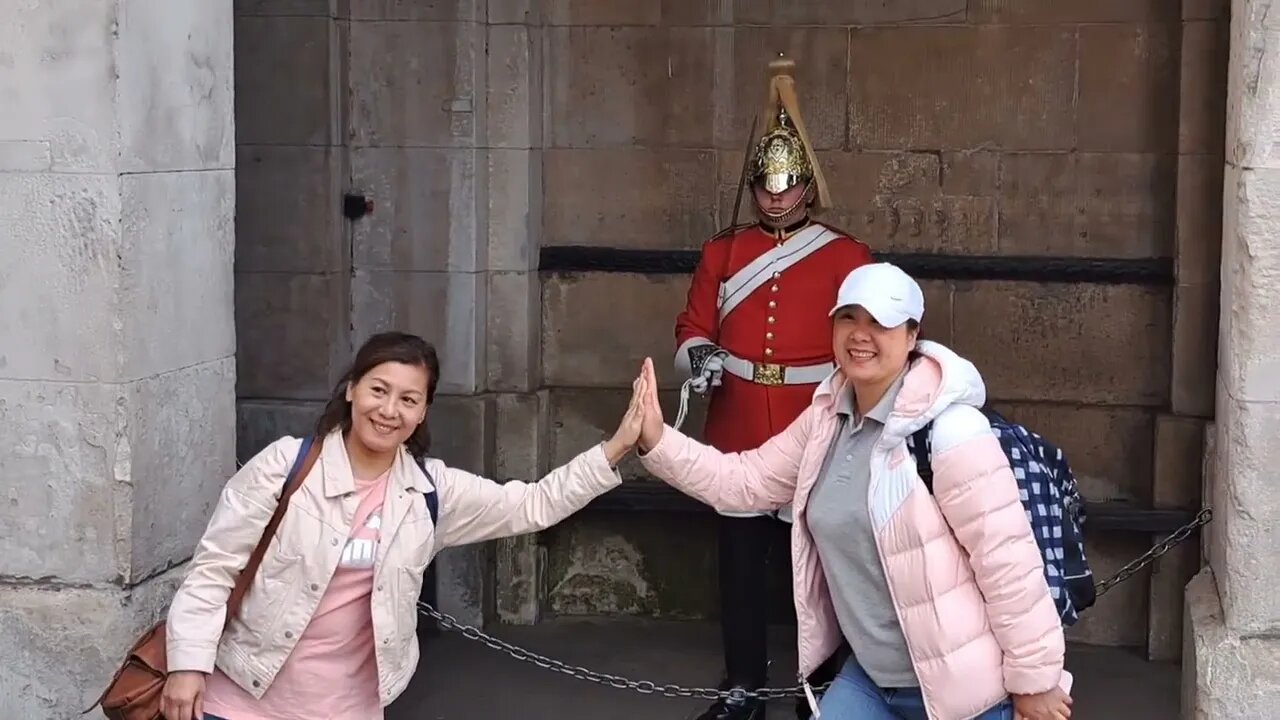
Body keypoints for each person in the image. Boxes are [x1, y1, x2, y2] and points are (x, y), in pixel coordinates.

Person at [641, 264, 1075, 720]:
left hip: (965, 692)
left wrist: (1035, 681)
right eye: (848, 317)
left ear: (911, 335)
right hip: (871, 678)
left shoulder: (950, 429)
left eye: (880, 322)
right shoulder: (827, 416)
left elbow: (1008, 565)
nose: (860, 335)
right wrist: (655, 439)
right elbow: (745, 483)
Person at [159, 331, 651, 720]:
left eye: (409, 399)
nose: (389, 410)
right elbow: (213, 571)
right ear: (351, 389)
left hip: (351, 708)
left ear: (422, 413)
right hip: (241, 700)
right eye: (378, 390)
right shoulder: (284, 467)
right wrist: (186, 665)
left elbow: (532, 504)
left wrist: (618, 447)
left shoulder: (430, 493)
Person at [673, 54, 874, 720]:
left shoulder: (846, 256)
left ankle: (827, 690)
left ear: (807, 186)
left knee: (822, 573)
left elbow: (862, 342)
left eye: (787, 186)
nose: (775, 197)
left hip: (809, 424)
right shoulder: (721, 251)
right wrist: (699, 354)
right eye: (765, 185)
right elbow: (695, 323)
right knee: (739, 572)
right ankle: (743, 689)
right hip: (736, 424)